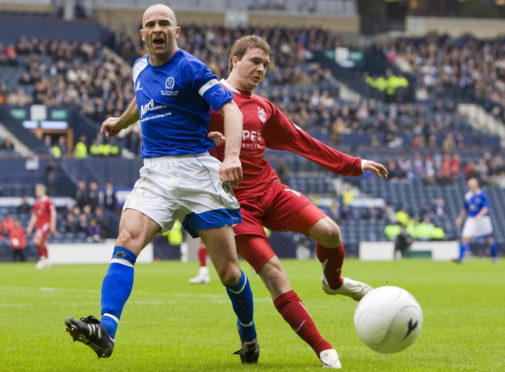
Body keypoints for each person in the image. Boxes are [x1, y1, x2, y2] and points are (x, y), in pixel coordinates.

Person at [64, 4, 259, 364]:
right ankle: (106, 330)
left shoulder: (191, 67)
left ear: (176, 31)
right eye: (150, 24)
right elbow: (142, 100)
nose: (157, 29)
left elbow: (230, 109)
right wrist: (120, 123)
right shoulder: (139, 66)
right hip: (155, 172)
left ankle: (248, 333)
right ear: (142, 34)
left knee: (230, 272)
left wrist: (231, 157)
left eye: (164, 23)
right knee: (125, 242)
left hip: (198, 173)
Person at [207, 35, 388, 369]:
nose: (261, 69)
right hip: (234, 206)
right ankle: (324, 349)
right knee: (275, 274)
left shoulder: (263, 108)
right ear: (234, 60)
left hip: (270, 190)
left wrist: (354, 164)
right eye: (255, 61)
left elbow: (302, 141)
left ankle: (333, 283)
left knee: (331, 233)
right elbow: (181, 136)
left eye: (265, 64)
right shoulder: (209, 99)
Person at [455, 177, 498, 263]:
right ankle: (460, 258)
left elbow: (486, 207)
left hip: (483, 219)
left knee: (488, 239)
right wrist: (460, 218)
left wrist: (480, 215)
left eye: (472, 185)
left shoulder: (482, 194)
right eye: (469, 185)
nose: (471, 186)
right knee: (465, 237)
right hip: (472, 219)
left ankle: (494, 258)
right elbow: (465, 208)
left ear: (476, 185)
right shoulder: (468, 195)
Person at [26, 183, 56, 269]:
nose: (37, 192)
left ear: (43, 191)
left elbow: (53, 214)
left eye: (38, 190)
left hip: (46, 224)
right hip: (39, 225)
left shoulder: (48, 201)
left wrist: (53, 225)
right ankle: (46, 260)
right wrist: (30, 226)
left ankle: (42, 259)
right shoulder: (36, 202)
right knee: (43, 242)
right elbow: (34, 215)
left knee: (36, 240)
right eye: (36, 191)